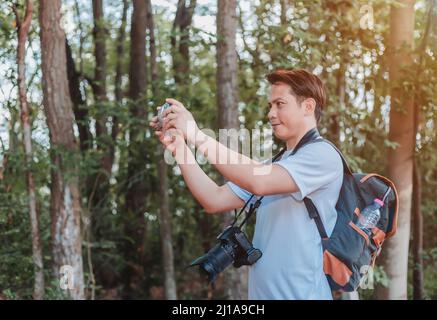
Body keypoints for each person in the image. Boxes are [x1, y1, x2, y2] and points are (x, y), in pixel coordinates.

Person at [149, 69, 343, 300]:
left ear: (308, 107)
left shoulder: (323, 155)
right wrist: (180, 148)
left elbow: (258, 181)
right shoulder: (277, 164)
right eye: (270, 105)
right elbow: (214, 199)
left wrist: (196, 134)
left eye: (280, 104)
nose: (271, 113)